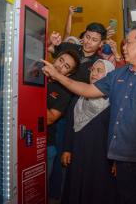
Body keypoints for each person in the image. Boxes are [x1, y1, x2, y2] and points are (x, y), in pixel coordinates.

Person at [42, 28, 136, 204]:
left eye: (128, 42)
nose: (123, 47)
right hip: (121, 161)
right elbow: (87, 89)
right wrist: (57, 76)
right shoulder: (117, 75)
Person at [61, 59, 116, 204]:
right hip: (78, 153)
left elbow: (117, 132)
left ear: (110, 75)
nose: (94, 73)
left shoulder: (114, 101)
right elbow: (70, 125)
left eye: (99, 70)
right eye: (93, 70)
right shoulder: (79, 97)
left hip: (102, 158)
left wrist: (116, 159)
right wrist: (67, 149)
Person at [46, 50, 80, 200]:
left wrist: (33, 93)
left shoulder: (65, 91)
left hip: (46, 145)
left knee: (38, 190)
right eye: (60, 60)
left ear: (67, 75)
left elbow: (50, 118)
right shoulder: (35, 75)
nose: (60, 66)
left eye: (66, 66)